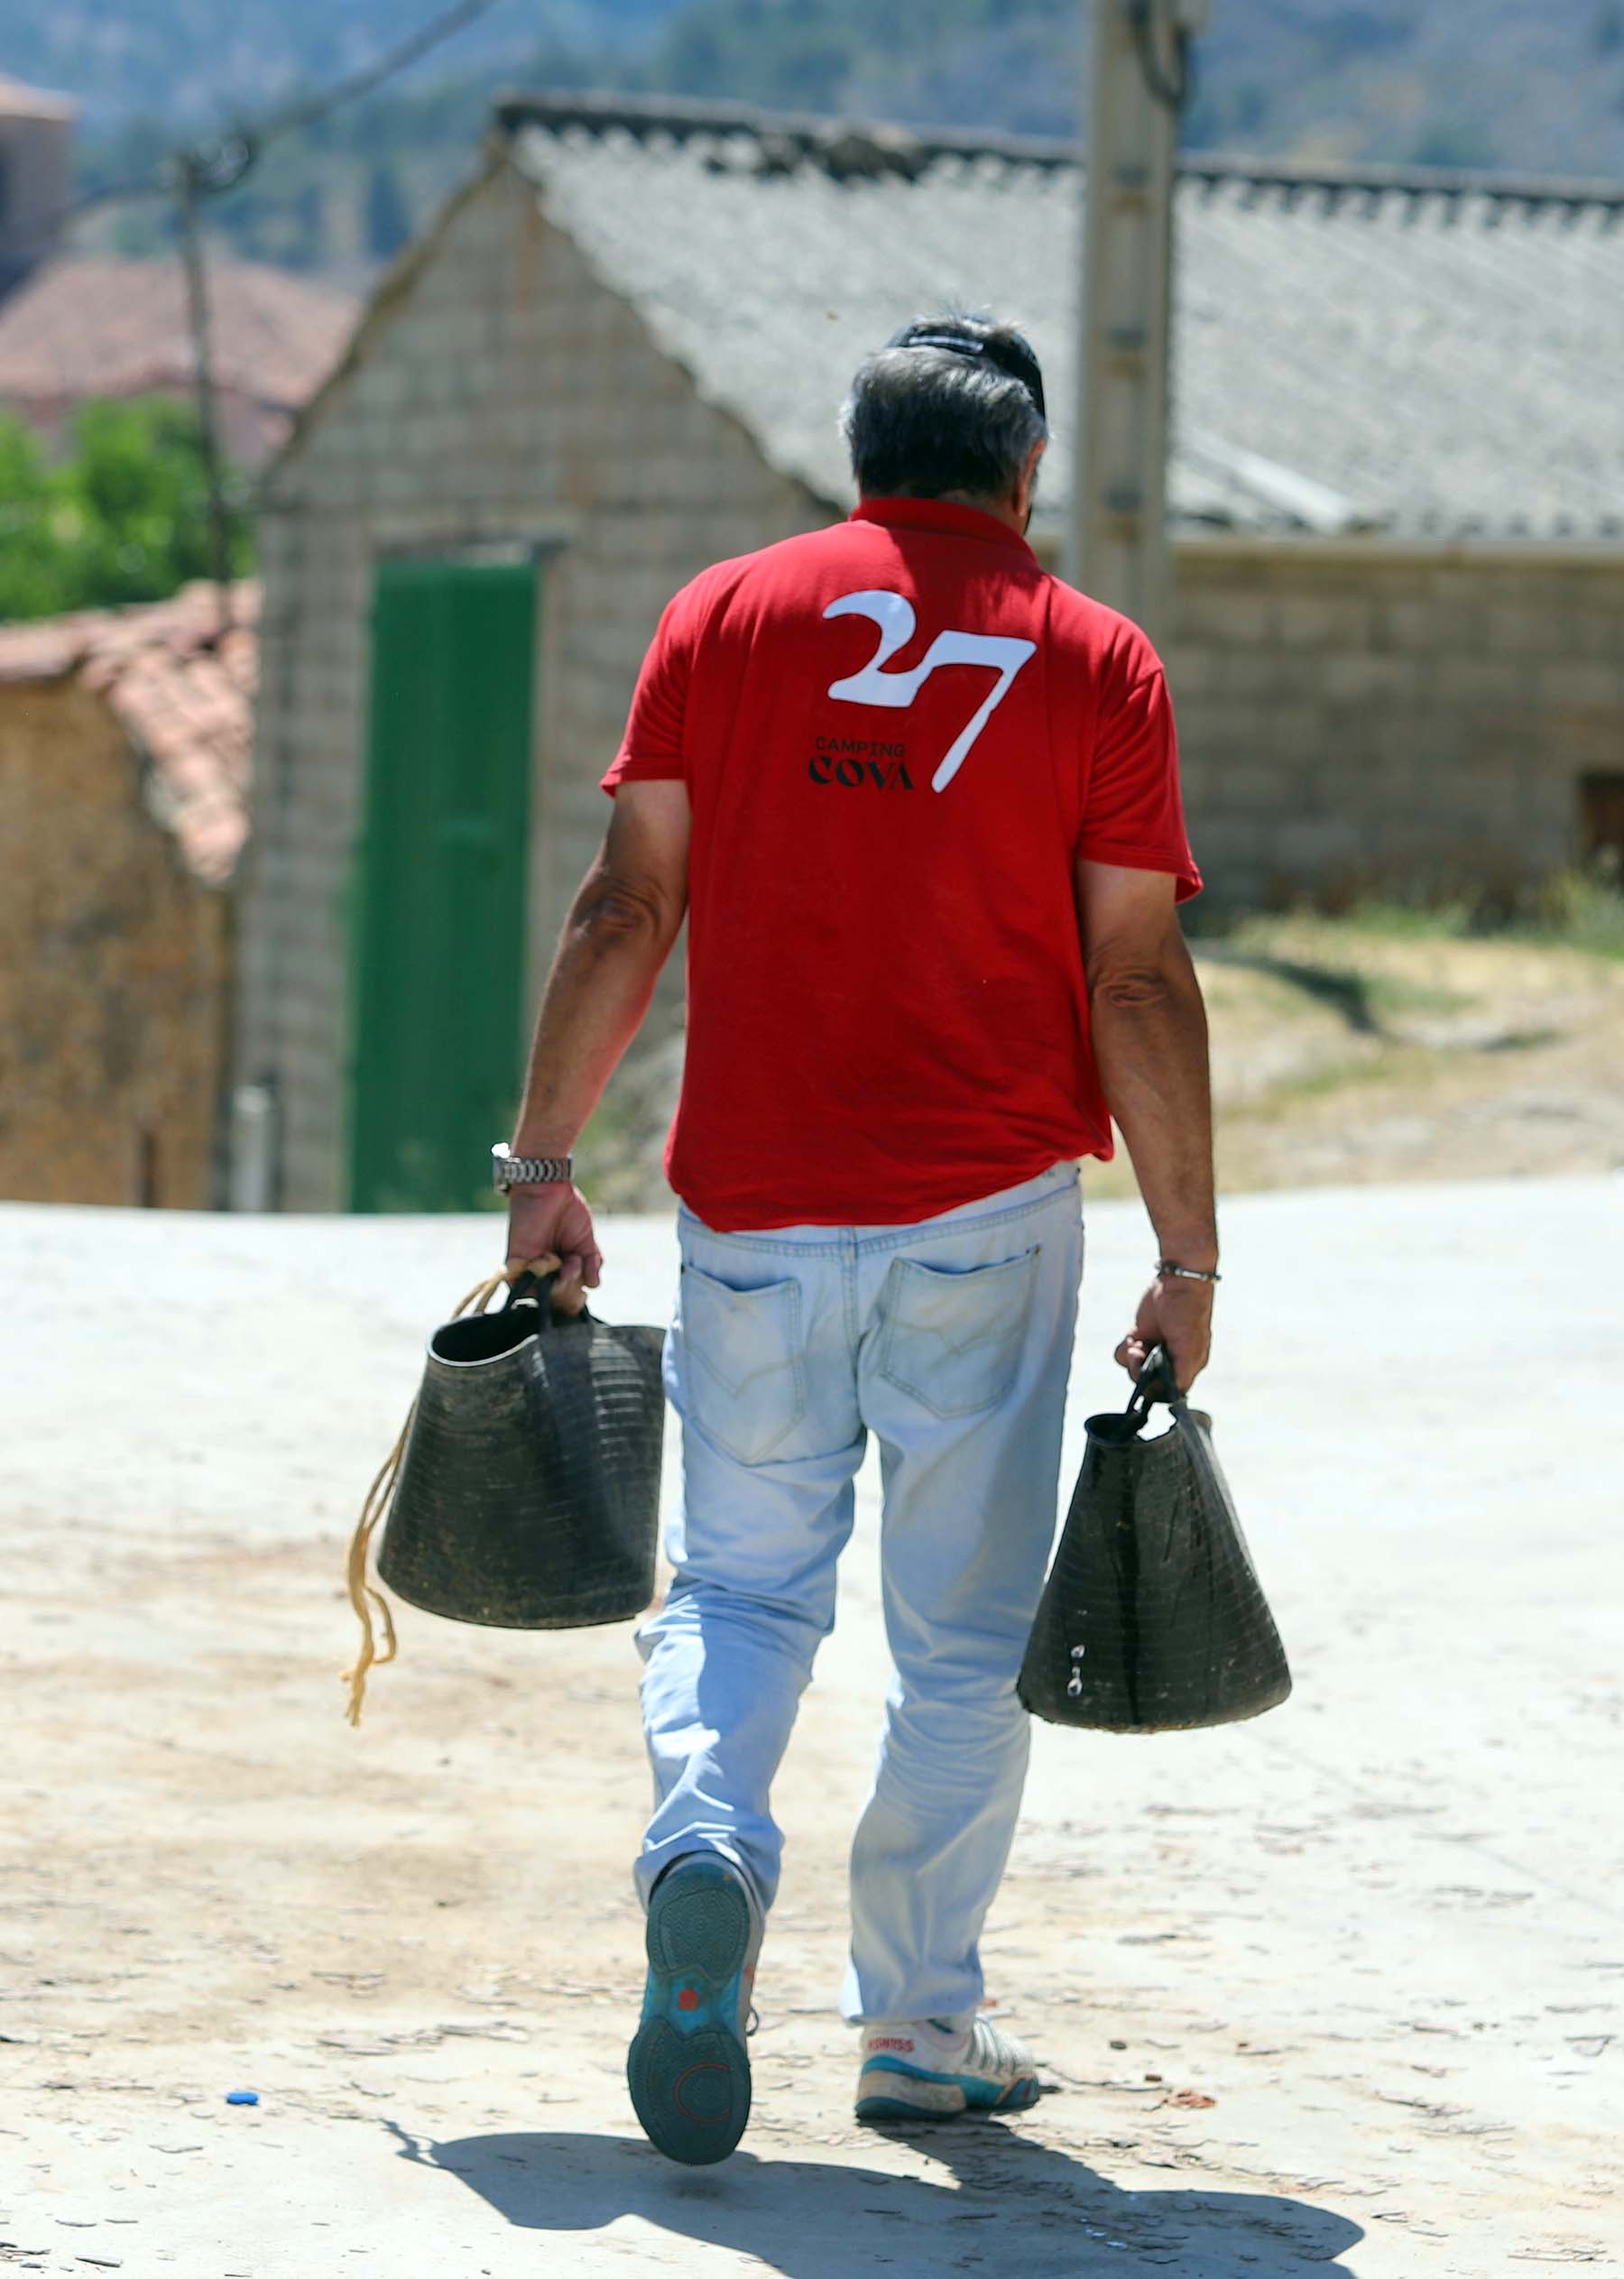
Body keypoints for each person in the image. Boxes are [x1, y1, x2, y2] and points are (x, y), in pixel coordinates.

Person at [499, 312, 1216, 2165]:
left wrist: (543, 1163)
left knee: (739, 1591)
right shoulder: (1093, 661)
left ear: (861, 460)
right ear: (1024, 471)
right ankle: (920, 2025)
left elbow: (624, 902)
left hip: (747, 1197)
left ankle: (708, 1845)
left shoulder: (723, 619)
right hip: (985, 1213)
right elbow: (1135, 971)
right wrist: (1190, 1256)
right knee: (963, 1645)